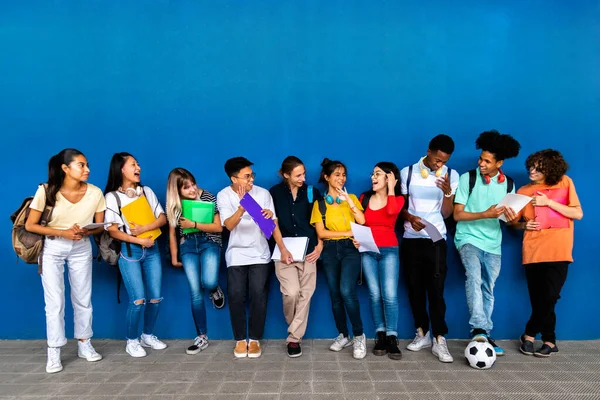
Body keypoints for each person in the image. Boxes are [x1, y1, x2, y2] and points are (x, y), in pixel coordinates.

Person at [25, 148, 106, 373]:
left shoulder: (95, 193)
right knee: (55, 301)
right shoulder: (46, 191)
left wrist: (86, 232)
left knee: (83, 298)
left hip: (81, 246)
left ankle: (84, 344)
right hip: (53, 247)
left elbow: (100, 226)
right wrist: (63, 232)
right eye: (81, 165)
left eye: (87, 164)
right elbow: (31, 225)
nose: (87, 169)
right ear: (65, 168)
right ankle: (54, 351)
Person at [217, 157, 292, 359]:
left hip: (260, 254)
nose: (251, 180)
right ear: (234, 179)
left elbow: (270, 228)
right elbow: (229, 225)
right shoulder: (223, 196)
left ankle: (255, 339)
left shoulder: (263, 194)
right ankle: (240, 340)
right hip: (236, 255)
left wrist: (281, 245)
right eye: (246, 177)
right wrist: (242, 207)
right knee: (236, 296)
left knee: (259, 296)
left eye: (252, 176)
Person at [453, 130, 521, 355]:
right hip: (468, 238)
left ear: (499, 163)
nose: (481, 163)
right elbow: (457, 215)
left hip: (493, 244)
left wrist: (513, 220)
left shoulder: (509, 185)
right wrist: (486, 213)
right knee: (473, 277)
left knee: (488, 287)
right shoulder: (468, 178)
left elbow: (508, 222)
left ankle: (486, 334)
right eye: (480, 158)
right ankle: (479, 330)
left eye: (487, 161)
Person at [512, 149, 583, 357]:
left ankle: (529, 333)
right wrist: (523, 226)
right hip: (534, 250)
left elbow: (577, 213)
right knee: (538, 298)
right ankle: (550, 340)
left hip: (559, 249)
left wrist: (548, 202)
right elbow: (512, 223)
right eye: (530, 167)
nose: (531, 171)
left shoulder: (565, 182)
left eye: (537, 168)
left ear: (550, 169)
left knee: (550, 296)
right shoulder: (523, 191)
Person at [400, 134, 459, 363]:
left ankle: (439, 339)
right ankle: (421, 333)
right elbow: (400, 208)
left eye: (444, 161)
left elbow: (446, 213)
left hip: (436, 239)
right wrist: (410, 216)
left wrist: (447, 193)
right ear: (429, 151)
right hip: (411, 238)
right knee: (414, 289)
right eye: (437, 160)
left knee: (436, 291)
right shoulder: (408, 173)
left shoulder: (451, 175)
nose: (440, 164)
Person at [104, 152, 168, 358]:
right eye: (133, 164)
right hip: (130, 252)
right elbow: (113, 230)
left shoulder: (146, 192)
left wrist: (145, 228)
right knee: (138, 299)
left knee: (156, 298)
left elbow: (162, 218)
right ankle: (132, 341)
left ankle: (147, 335)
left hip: (153, 250)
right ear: (121, 169)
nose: (138, 167)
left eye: (138, 164)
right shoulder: (112, 197)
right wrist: (139, 240)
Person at [310, 158, 367, 360]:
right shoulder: (319, 204)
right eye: (337, 174)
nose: (341, 178)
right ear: (327, 177)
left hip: (350, 250)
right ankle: (344, 335)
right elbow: (322, 233)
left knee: (346, 291)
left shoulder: (351, 198)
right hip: (330, 251)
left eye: (343, 175)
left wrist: (350, 203)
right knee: (335, 295)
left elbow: (362, 221)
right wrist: (347, 232)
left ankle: (359, 335)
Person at [165, 167, 226, 355]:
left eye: (193, 184)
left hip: (209, 242)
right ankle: (202, 336)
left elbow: (218, 227)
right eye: (186, 188)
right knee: (195, 292)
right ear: (177, 191)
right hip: (188, 246)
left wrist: (194, 225)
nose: (192, 190)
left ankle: (214, 289)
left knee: (209, 281)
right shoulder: (174, 205)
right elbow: (172, 233)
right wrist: (174, 257)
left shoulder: (207, 197)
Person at [269, 156, 322, 358]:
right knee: (291, 293)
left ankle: (293, 339)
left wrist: (320, 245)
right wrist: (281, 248)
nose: (303, 178)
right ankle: (295, 327)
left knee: (306, 294)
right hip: (283, 251)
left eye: (304, 174)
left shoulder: (312, 192)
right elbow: (268, 224)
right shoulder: (273, 193)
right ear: (286, 175)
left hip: (309, 250)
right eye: (298, 175)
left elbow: (319, 221)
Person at [359, 162, 404, 360]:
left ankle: (392, 336)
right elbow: (359, 222)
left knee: (390, 295)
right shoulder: (364, 197)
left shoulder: (399, 199)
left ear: (389, 177)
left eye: (378, 174)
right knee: (375, 294)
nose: (373, 177)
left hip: (389, 251)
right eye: (372, 173)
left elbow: (393, 212)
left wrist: (392, 188)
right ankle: (380, 334)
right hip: (367, 250)